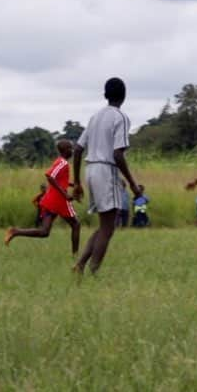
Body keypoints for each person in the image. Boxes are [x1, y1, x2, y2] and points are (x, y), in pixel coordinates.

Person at [72, 77, 141, 275]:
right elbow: (118, 154)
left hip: (90, 169)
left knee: (105, 224)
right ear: (124, 95)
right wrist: (133, 184)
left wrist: (77, 182)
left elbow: (77, 150)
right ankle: (93, 271)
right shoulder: (120, 117)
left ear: (105, 95)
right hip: (106, 169)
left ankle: (80, 265)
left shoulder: (95, 117)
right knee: (108, 228)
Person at [4, 140, 82, 256]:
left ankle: (15, 231)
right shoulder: (63, 163)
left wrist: (73, 185)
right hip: (58, 200)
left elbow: (59, 180)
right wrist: (65, 194)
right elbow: (50, 176)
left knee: (44, 232)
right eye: (70, 148)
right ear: (65, 151)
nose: (72, 151)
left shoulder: (60, 162)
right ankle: (75, 256)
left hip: (51, 199)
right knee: (76, 224)